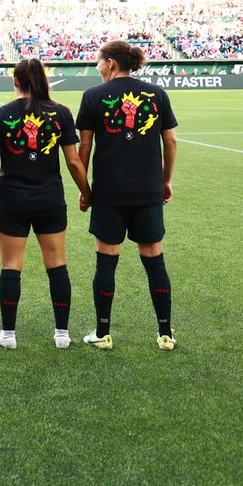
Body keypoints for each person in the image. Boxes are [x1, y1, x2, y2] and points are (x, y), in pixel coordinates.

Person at [0, 59, 91, 350]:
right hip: (50, 199)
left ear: (15, 82)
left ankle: (9, 334)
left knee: (11, 266)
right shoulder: (60, 113)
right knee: (57, 265)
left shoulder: (0, 115)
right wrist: (87, 193)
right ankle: (62, 335)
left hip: (12, 200)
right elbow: (74, 162)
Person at [76, 41, 179, 351]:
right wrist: (166, 181)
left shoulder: (93, 96)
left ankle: (102, 333)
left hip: (109, 191)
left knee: (106, 260)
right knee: (154, 259)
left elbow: (84, 147)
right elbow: (171, 142)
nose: (96, 66)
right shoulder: (157, 94)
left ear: (110, 63)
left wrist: (85, 189)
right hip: (147, 190)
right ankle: (165, 334)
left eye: (98, 61)